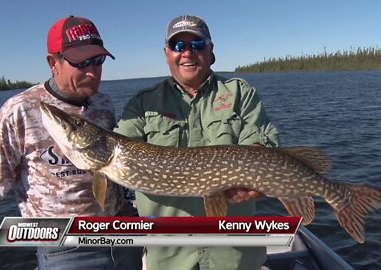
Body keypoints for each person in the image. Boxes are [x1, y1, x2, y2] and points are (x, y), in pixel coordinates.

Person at [0, 15, 142, 269]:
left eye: (98, 60)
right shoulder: (20, 109)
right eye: (80, 62)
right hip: (64, 247)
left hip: (120, 236)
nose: (92, 71)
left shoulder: (103, 104)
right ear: (53, 63)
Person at [114, 15, 279, 270]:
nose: (187, 53)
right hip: (170, 257)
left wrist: (255, 179)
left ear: (211, 50)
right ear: (167, 53)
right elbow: (122, 146)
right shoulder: (143, 104)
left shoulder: (240, 93)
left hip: (235, 255)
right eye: (179, 46)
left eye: (197, 45)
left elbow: (259, 143)